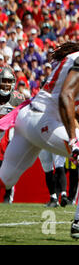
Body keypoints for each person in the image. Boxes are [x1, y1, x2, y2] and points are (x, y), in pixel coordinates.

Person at [0, 24, 79, 239]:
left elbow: (63, 96)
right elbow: (65, 96)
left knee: (6, 179)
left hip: (28, 117)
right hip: (45, 121)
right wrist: (74, 138)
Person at [0, 66, 26, 203]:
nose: (6, 84)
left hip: (8, 141)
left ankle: (8, 197)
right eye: (3, 80)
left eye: (9, 81)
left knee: (7, 170)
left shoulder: (18, 99)